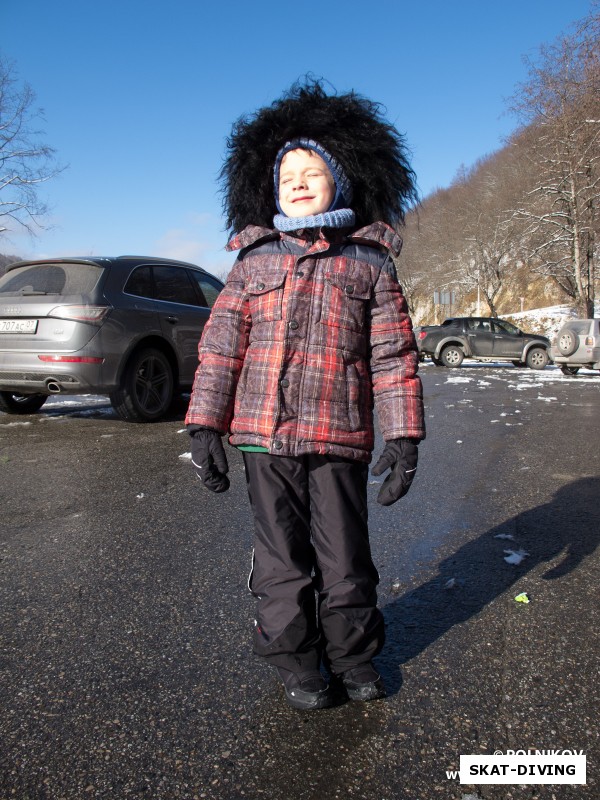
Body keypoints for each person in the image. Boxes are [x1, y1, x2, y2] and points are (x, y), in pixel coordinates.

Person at [186, 80, 425, 710]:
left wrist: (403, 434)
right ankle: (297, 661)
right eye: (287, 171)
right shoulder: (252, 261)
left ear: (338, 183)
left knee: (345, 556)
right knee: (280, 558)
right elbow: (219, 350)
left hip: (338, 435)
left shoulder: (369, 263)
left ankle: (353, 655)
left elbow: (394, 356)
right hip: (263, 439)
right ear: (272, 187)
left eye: (312, 170)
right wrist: (205, 425)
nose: (297, 180)